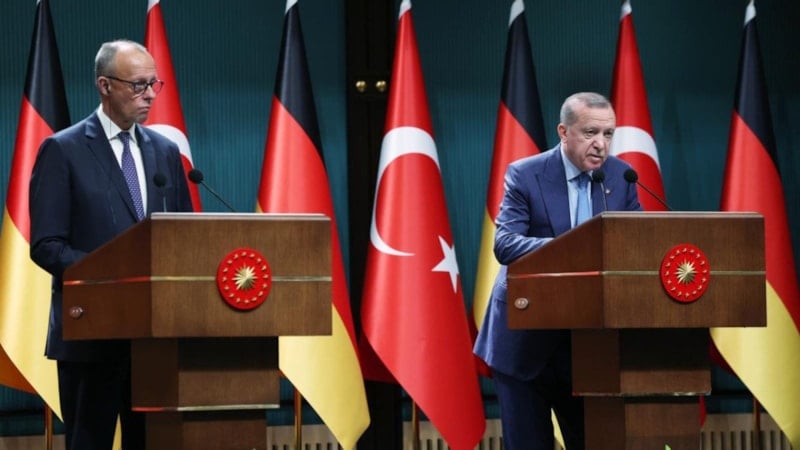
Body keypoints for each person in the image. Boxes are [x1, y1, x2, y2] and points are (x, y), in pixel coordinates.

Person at [29, 39, 194, 450]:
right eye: (138, 85)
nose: (150, 94)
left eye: (154, 84)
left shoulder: (165, 152)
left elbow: (185, 238)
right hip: (91, 336)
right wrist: (114, 278)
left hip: (154, 341)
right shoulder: (63, 150)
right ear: (105, 85)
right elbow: (47, 245)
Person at [474, 92, 642, 450]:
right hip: (525, 340)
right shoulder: (526, 174)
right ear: (564, 132)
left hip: (590, 346)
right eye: (590, 133)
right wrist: (574, 249)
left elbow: (635, 245)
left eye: (608, 134)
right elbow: (506, 244)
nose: (601, 144)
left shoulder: (621, 176)